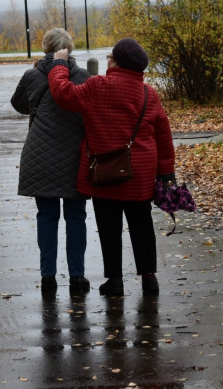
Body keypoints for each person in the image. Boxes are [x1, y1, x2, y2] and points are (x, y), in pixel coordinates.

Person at [47, 38, 176, 296]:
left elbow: (63, 93)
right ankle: (149, 279)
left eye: (111, 56)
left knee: (109, 228)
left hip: (105, 173)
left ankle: (115, 281)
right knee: (142, 225)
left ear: (118, 62)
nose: (107, 59)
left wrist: (59, 65)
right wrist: (166, 171)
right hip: (140, 175)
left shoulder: (97, 86)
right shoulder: (149, 94)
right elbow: (163, 133)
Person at [11, 28, 92, 294]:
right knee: (76, 216)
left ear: (46, 48)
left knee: (46, 217)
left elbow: (19, 105)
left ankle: (48, 278)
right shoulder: (83, 78)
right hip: (74, 159)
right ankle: (77, 277)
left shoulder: (32, 76)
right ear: (70, 48)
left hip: (39, 157)